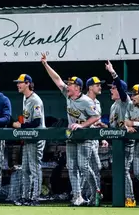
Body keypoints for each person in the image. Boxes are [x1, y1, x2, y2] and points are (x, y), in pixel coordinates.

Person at [41, 53, 101, 206]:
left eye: (71, 85)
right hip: (71, 137)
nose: (67, 86)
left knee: (83, 166)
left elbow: (96, 117)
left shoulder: (87, 101)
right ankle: (78, 197)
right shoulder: (68, 96)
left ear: (78, 88)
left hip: (85, 137)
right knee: (72, 167)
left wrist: (82, 125)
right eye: (68, 84)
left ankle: (96, 193)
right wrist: (45, 64)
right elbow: (57, 80)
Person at [12, 74, 46, 206]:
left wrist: (21, 126)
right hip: (28, 138)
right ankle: (25, 196)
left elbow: (37, 122)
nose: (18, 84)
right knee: (25, 168)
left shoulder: (35, 100)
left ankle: (35, 198)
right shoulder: (25, 98)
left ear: (27, 83)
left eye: (20, 82)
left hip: (36, 138)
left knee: (34, 168)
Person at [106, 61, 136, 207]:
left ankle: (130, 198)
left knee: (124, 170)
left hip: (127, 141)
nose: (111, 90)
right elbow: (113, 125)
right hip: (117, 143)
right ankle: (123, 197)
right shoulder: (113, 105)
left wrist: (113, 72)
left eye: (113, 88)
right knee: (119, 171)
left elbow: (121, 91)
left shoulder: (126, 102)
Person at [84, 76, 108, 205]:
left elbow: (96, 121)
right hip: (84, 140)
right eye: (97, 85)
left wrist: (102, 137)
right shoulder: (83, 100)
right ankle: (85, 195)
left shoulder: (97, 102)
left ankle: (94, 195)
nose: (100, 87)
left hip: (94, 140)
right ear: (90, 87)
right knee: (85, 168)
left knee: (96, 167)